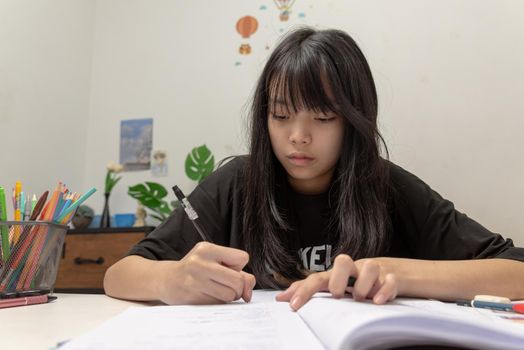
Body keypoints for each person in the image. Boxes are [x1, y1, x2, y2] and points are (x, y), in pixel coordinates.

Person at [104, 27, 524, 310]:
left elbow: (516, 272)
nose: (298, 137)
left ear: (354, 120)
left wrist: (394, 271)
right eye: (281, 115)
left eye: (322, 118)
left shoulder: (386, 187)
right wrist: (169, 280)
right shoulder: (237, 184)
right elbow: (119, 275)